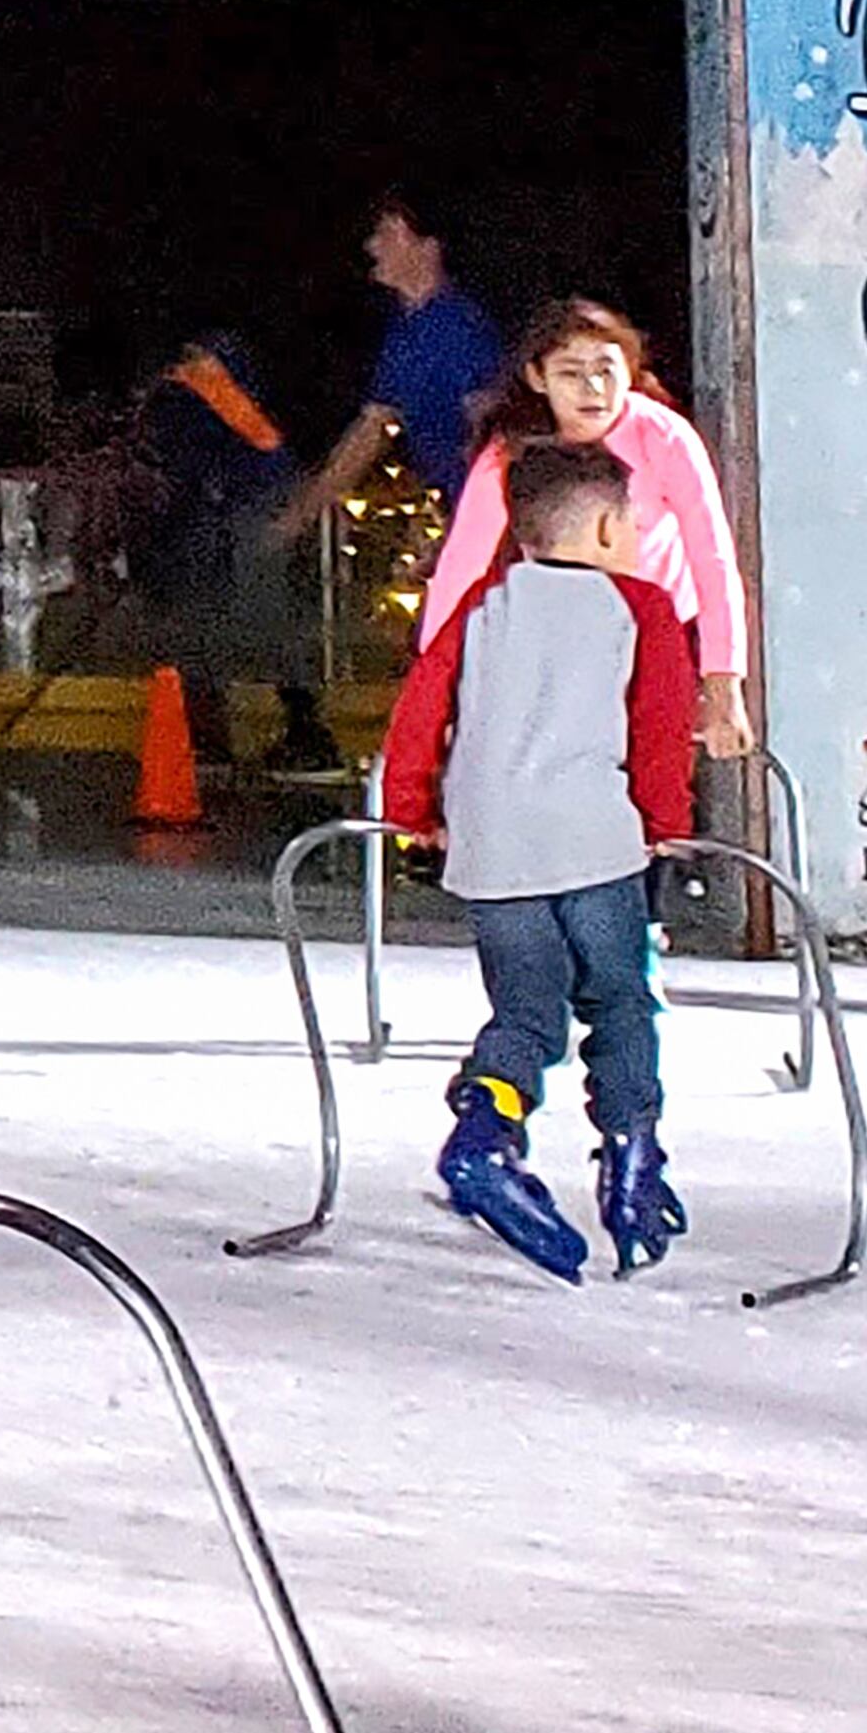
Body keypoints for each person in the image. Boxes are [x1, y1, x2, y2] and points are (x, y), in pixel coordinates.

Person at [379, 438, 700, 1283]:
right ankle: (632, 1161)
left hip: (493, 850)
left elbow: (420, 713)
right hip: (597, 843)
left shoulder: (482, 606)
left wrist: (414, 810)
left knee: (526, 1017)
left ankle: (485, 1135)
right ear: (603, 528)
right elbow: (662, 730)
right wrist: (664, 819)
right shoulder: (643, 608)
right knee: (621, 1005)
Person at [412, 299, 752, 759]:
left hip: (662, 632)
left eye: (606, 370)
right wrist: (435, 694)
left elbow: (712, 558)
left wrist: (723, 685)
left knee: (654, 785)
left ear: (629, 372)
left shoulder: (664, 437)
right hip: (558, 634)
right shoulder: (513, 451)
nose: (592, 388)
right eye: (571, 373)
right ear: (539, 379)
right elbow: (461, 568)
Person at [130, 333, 335, 774]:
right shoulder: (212, 365)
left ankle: (279, 732)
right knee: (236, 614)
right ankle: (271, 729)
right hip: (243, 496)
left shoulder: (192, 377)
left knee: (228, 614)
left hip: (245, 500)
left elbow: (221, 449)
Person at [297, 188, 505, 511]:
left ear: (428, 246)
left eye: (387, 232)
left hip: (476, 509)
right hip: (450, 505)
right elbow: (375, 426)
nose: (372, 246)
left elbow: (490, 429)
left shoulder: (459, 328)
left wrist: (301, 512)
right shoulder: (404, 328)